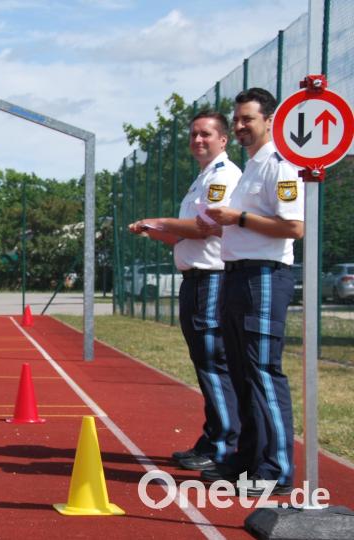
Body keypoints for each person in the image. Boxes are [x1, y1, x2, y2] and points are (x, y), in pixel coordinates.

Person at [199, 87, 304, 496]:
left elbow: (294, 227)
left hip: (265, 275)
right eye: (238, 119)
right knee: (242, 371)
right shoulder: (252, 169)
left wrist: (237, 217)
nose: (241, 126)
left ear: (270, 121)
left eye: (248, 119)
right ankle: (247, 459)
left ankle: (277, 470)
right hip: (238, 273)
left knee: (262, 370)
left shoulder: (280, 165)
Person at [128, 110, 241, 474]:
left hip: (212, 277)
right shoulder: (202, 179)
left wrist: (156, 221)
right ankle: (213, 437)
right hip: (194, 278)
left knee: (212, 360)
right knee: (203, 361)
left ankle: (225, 444)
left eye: (206, 134)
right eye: (193, 134)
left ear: (223, 139)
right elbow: (181, 234)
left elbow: (205, 226)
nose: (198, 140)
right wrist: (149, 230)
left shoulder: (224, 176)